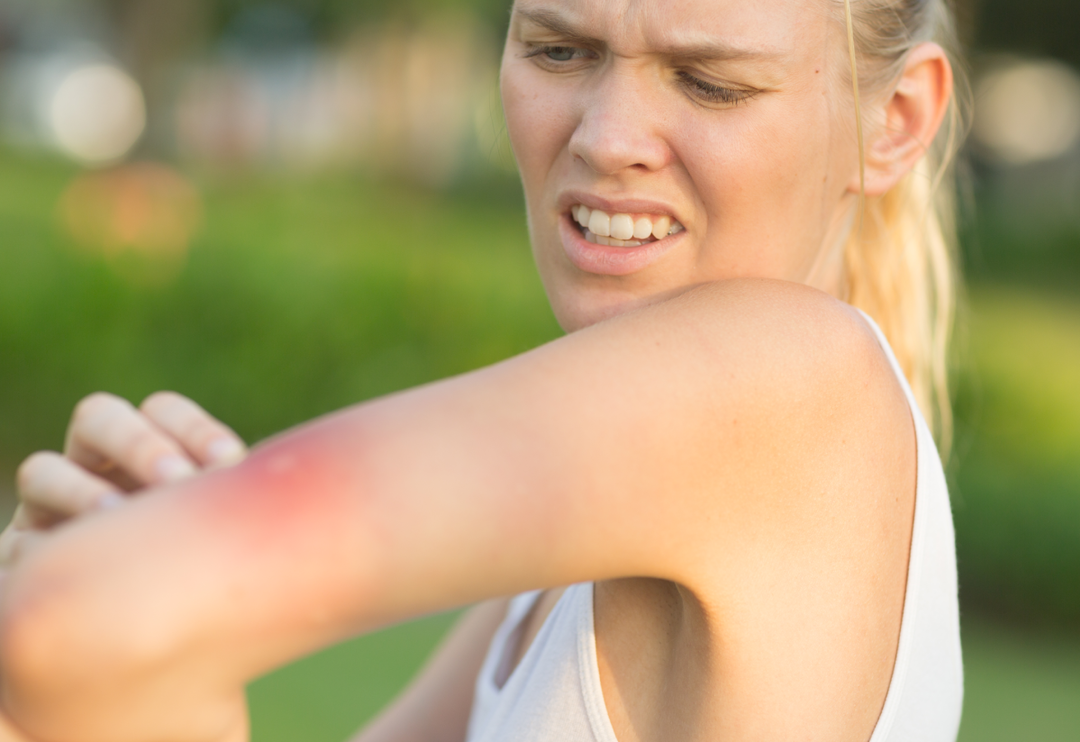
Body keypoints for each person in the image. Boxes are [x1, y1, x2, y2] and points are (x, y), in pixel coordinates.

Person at [0, 0, 968, 740]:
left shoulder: (788, 381)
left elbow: (72, 619)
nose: (605, 137)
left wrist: (97, 612)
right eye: (559, 50)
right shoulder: (593, 531)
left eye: (710, 82)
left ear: (895, 120)